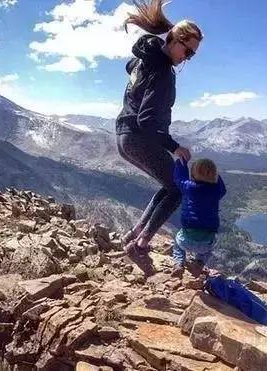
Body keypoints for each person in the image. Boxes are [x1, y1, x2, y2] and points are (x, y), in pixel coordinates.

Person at [116, 0, 203, 257]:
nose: (188, 58)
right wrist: (175, 147)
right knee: (176, 188)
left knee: (169, 185)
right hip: (139, 137)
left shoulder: (146, 60)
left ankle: (133, 236)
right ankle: (140, 245)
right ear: (175, 41)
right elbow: (147, 120)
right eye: (188, 52)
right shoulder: (163, 71)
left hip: (123, 135)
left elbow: (129, 67)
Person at [171, 158, 226, 277]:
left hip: (185, 240)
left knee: (177, 242)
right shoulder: (216, 191)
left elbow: (179, 179)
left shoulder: (189, 188)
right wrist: (215, 175)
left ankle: (178, 263)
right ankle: (199, 264)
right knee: (208, 249)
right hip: (206, 243)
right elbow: (223, 189)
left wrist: (182, 163)